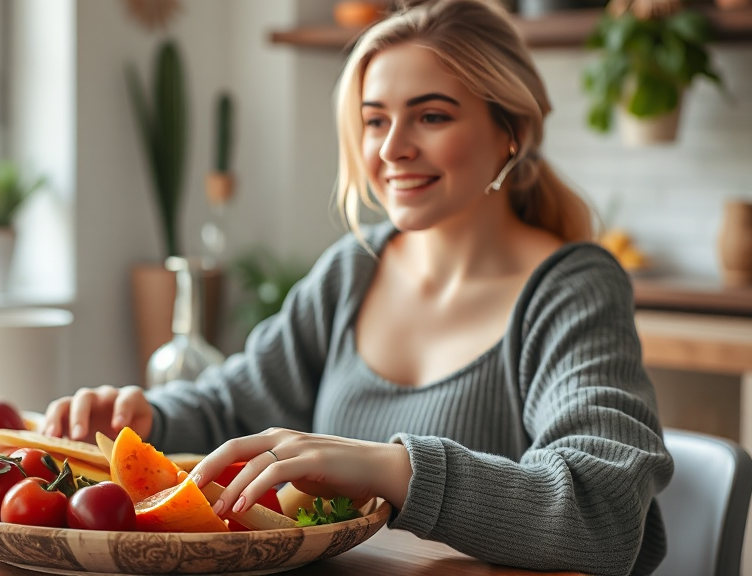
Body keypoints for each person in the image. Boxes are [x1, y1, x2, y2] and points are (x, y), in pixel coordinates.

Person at [44, 0, 673, 573]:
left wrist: (393, 469)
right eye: (375, 121)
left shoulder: (572, 289)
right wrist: (143, 417)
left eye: (431, 115)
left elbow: (604, 512)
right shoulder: (354, 269)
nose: (394, 148)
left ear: (511, 131)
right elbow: (233, 408)